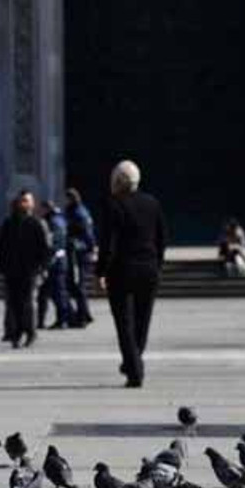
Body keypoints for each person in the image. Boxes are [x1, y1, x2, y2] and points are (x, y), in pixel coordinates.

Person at [96, 160, 166, 388]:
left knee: (124, 324)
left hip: (121, 271)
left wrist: (100, 272)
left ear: (116, 181)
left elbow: (107, 243)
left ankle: (134, 370)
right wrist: (158, 264)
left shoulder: (113, 204)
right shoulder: (152, 203)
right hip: (148, 269)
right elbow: (161, 239)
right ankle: (133, 361)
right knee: (142, 321)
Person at [0, 190, 50, 349]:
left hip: (31, 270)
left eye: (27, 201)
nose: (24, 204)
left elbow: (45, 248)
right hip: (12, 271)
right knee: (13, 303)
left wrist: (43, 268)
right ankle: (15, 333)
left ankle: (31, 332)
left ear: (32, 204)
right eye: (22, 201)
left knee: (28, 303)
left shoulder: (37, 223)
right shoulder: (9, 223)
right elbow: (2, 246)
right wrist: (3, 266)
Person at [36, 200, 72, 330]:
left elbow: (51, 243)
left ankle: (62, 320)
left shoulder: (52, 222)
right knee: (51, 293)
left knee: (56, 293)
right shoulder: (60, 220)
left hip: (54, 262)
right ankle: (54, 319)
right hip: (58, 260)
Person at [64, 188, 96, 327]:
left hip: (78, 254)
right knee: (75, 285)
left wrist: (90, 248)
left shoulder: (79, 213)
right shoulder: (72, 211)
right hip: (74, 252)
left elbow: (87, 234)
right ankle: (85, 314)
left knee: (77, 285)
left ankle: (83, 316)